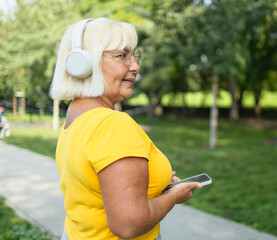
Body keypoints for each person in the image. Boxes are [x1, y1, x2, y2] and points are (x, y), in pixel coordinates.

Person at [50, 18, 202, 240]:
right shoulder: (111, 125)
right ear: (84, 63)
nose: (135, 66)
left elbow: (95, 190)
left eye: (134, 55)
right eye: (122, 55)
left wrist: (154, 185)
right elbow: (129, 224)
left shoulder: (76, 117)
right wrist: (174, 196)